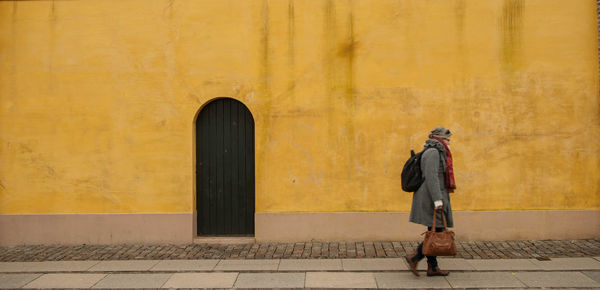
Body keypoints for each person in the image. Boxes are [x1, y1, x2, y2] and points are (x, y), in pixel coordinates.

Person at [405, 126, 456, 277]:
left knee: (433, 231)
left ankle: (432, 267)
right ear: (440, 139)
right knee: (437, 231)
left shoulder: (435, 151)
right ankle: (415, 257)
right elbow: (432, 177)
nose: (449, 142)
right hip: (431, 197)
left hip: (432, 196)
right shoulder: (433, 152)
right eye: (447, 139)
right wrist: (437, 200)